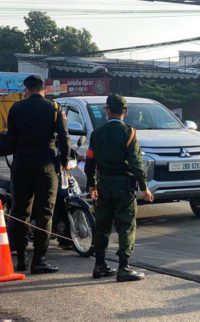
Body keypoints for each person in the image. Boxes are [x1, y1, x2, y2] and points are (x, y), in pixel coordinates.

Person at [85, 94, 154, 282]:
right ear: (125, 111)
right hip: (123, 186)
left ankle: (99, 265)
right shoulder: (129, 132)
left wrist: (91, 184)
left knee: (102, 225)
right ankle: (124, 267)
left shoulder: (96, 134)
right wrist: (144, 187)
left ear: (107, 111)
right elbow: (136, 163)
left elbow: (89, 162)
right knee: (126, 225)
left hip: (103, 184)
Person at [7, 75, 71, 274]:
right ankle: (39, 260)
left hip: (22, 165)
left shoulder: (16, 109)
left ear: (26, 89)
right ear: (44, 89)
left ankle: (21, 259)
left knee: (20, 211)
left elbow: (10, 142)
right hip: (46, 167)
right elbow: (64, 138)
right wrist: (65, 162)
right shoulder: (53, 108)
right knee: (44, 213)